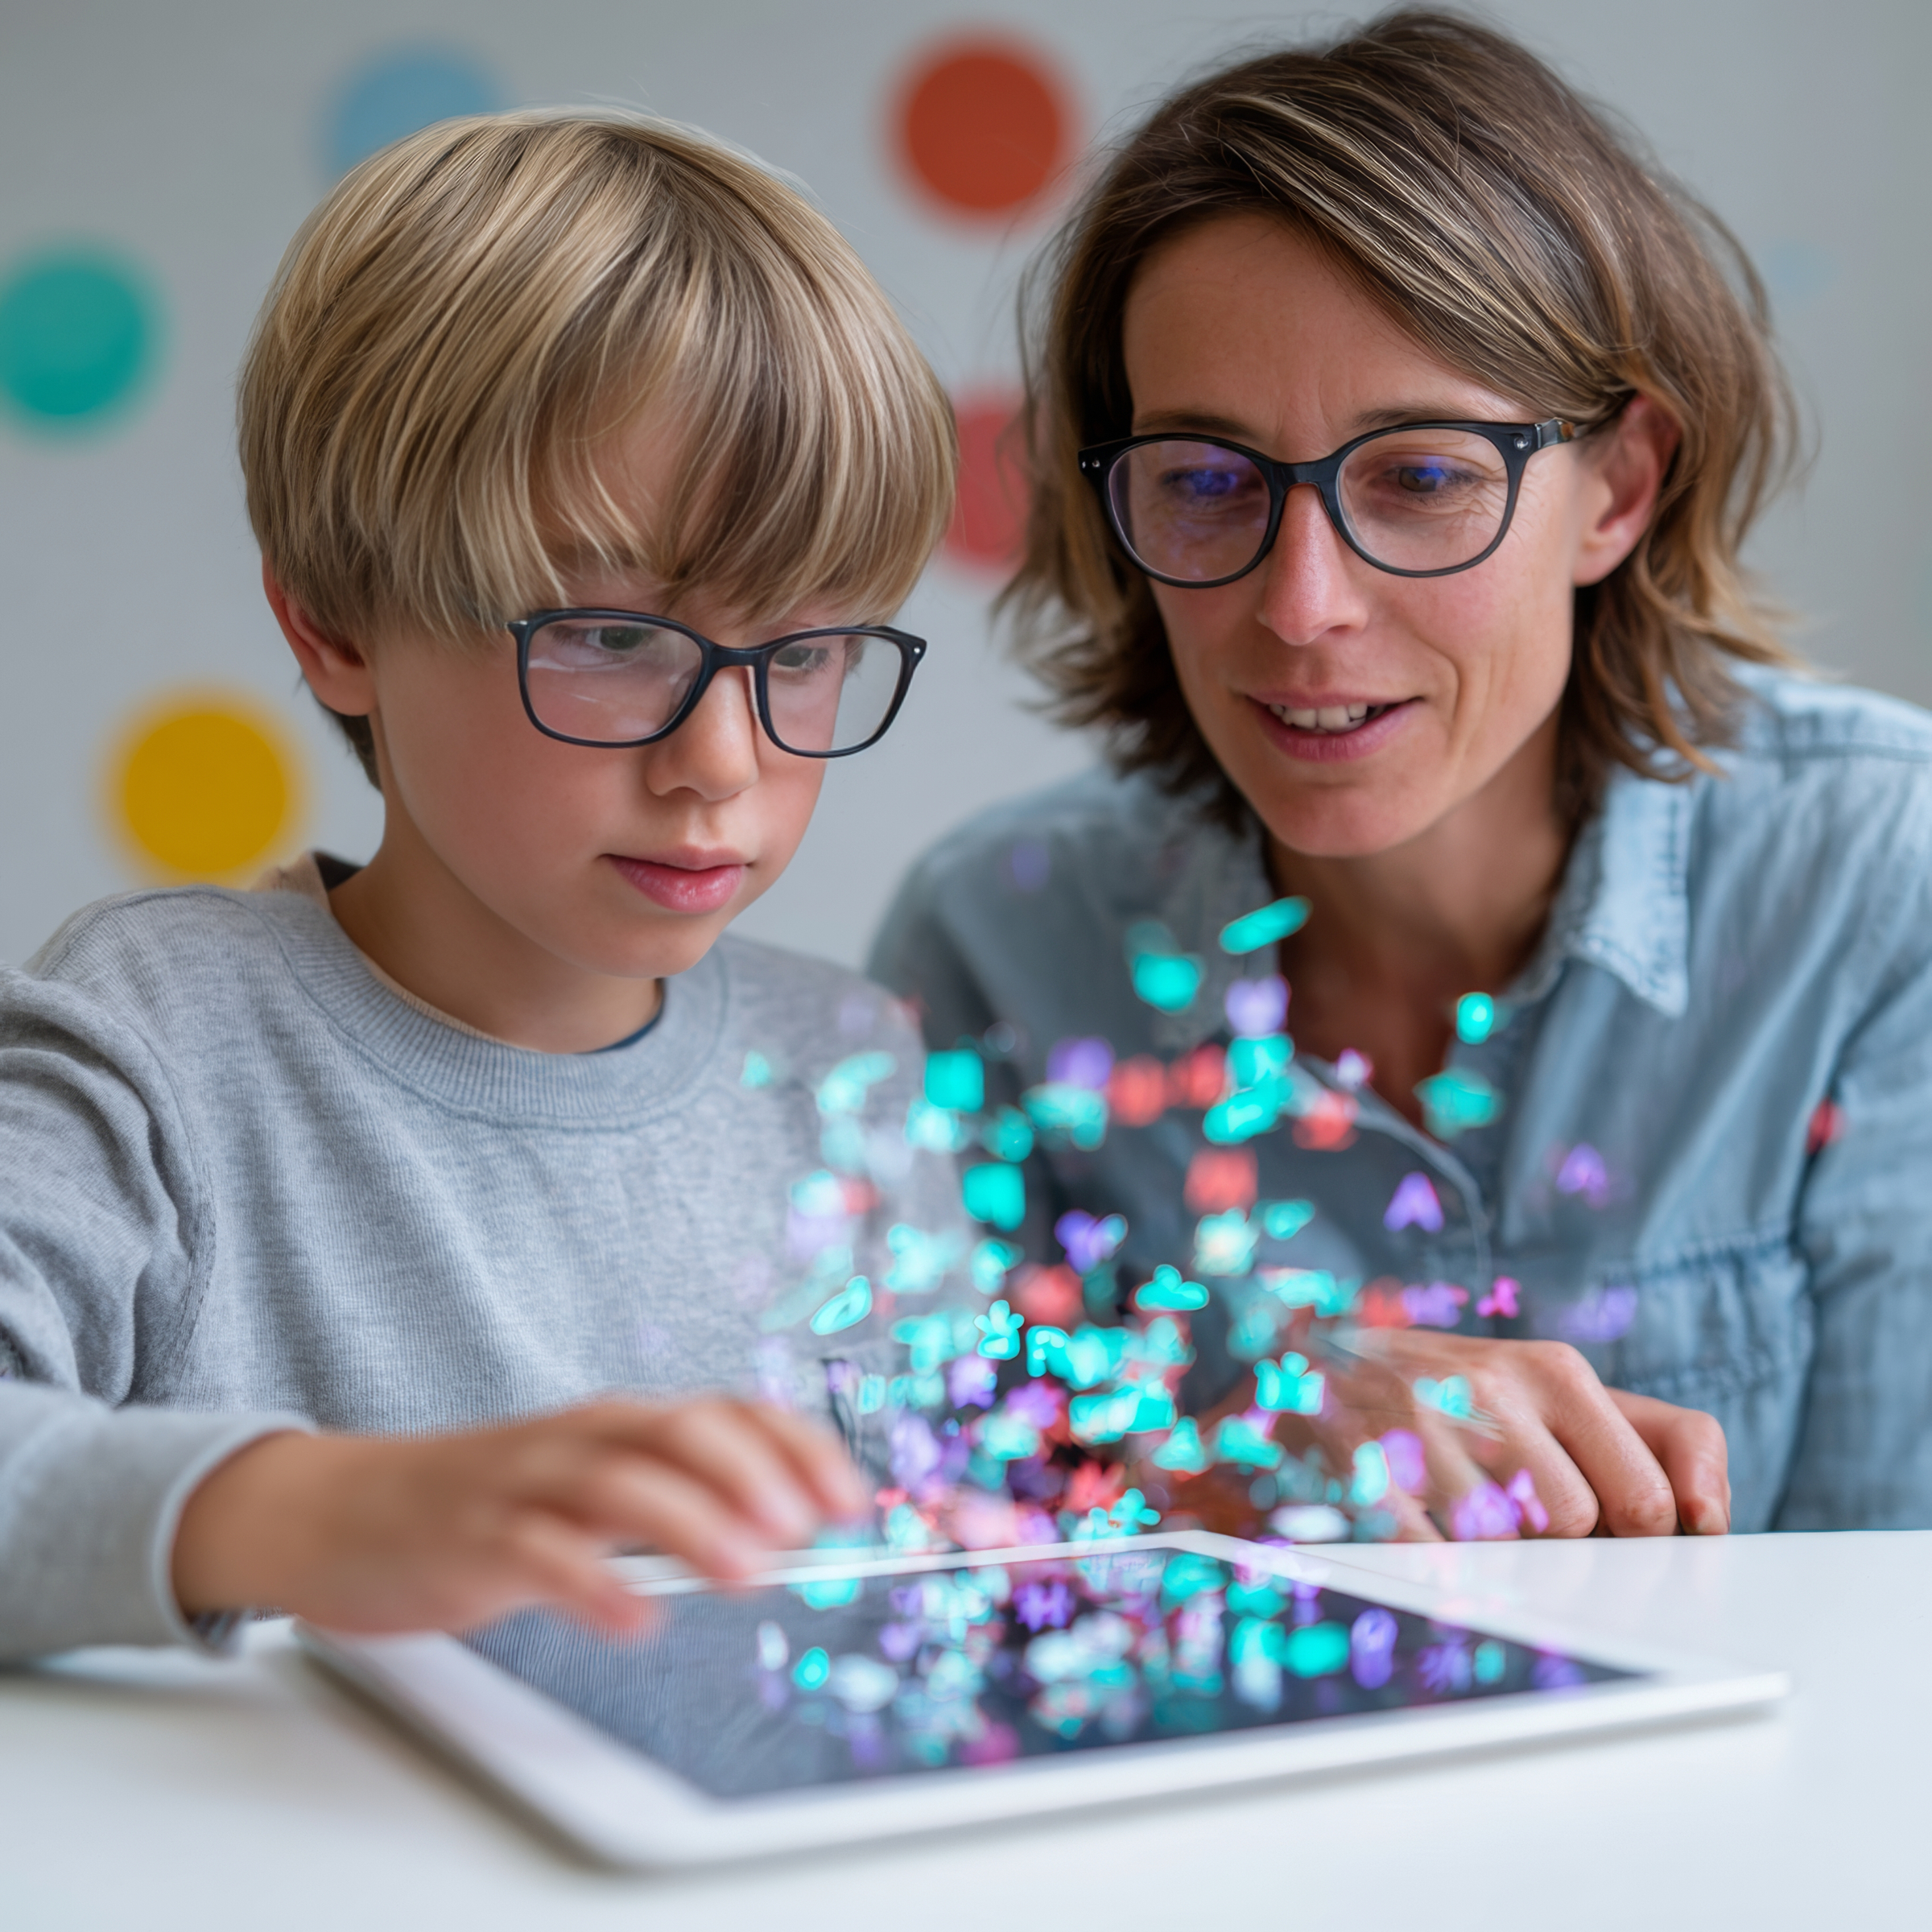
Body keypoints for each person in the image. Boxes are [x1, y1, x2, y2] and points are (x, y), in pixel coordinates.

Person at [871, 10, 1932, 1537]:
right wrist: (1239, 1461)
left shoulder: (1878, 883)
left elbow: (1892, 1631)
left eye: (1424, 477)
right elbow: (942, 1565)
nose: (1301, 608)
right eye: (1208, 482)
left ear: (1617, 492)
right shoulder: (999, 947)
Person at [0, 110, 964, 1658]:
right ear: (333, 623)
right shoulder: (157, 1039)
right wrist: (314, 1516)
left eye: (799, 652)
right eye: (606, 636)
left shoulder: (849, 1074)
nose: (720, 757)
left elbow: (959, 1551)